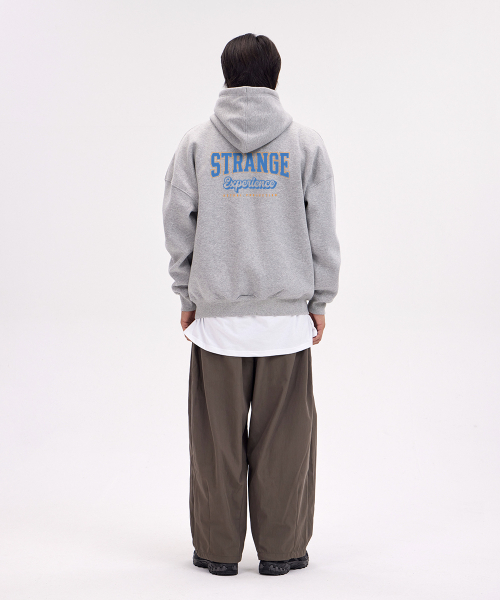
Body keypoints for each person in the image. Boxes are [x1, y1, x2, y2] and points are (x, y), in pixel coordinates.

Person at [162, 33, 341, 576]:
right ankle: (282, 551)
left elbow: (176, 223)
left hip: (217, 324)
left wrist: (186, 291)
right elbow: (322, 230)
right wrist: (319, 300)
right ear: (275, 76)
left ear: (225, 75)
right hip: (285, 323)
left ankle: (216, 552)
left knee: (215, 443)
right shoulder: (305, 145)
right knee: (285, 442)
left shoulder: (196, 143)